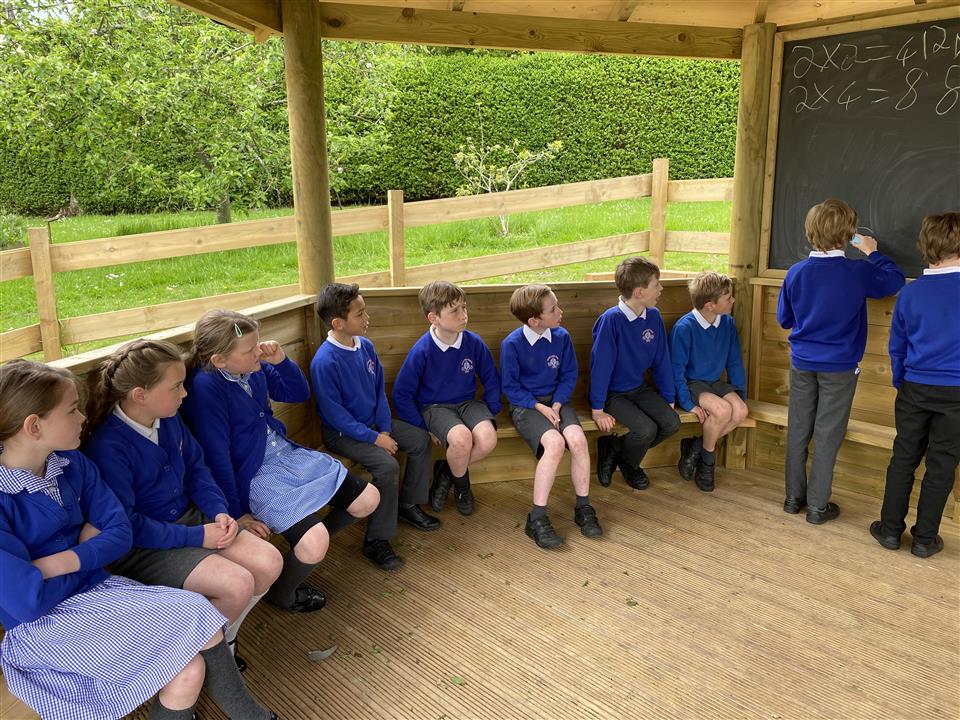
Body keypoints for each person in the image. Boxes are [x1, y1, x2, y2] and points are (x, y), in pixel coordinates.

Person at [0, 359, 280, 720]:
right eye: (72, 410)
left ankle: (246, 715)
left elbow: (120, 533)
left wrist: (60, 562)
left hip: (99, 589)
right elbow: (27, 602)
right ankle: (249, 715)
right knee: (191, 655)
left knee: (195, 639)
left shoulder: (71, 464)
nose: (83, 418)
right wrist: (89, 552)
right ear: (34, 426)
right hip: (45, 626)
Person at [84, 339, 283, 670]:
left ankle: (223, 639)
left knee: (269, 561)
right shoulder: (109, 447)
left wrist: (220, 511)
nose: (185, 393)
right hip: (143, 546)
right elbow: (126, 525)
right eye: (176, 386)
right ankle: (196, 661)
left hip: (192, 521)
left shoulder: (168, 418)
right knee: (237, 585)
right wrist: (197, 538)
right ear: (140, 395)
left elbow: (196, 468)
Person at [181, 309, 379, 614]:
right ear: (219, 360)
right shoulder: (206, 388)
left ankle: (303, 546)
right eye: (250, 350)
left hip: (286, 455)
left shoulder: (252, 367)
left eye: (257, 344)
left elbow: (297, 393)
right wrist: (238, 513)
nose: (258, 352)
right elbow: (216, 457)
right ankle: (283, 593)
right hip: (253, 475)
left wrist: (281, 362)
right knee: (314, 543)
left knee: (367, 499)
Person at [777, 198, 904, 524]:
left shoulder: (795, 273)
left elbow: (783, 318)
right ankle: (818, 507)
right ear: (849, 235)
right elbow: (894, 280)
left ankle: (793, 499)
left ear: (809, 232)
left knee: (799, 430)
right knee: (827, 434)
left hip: (802, 363)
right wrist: (872, 252)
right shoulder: (857, 271)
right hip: (839, 368)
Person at [311, 283, 440, 572]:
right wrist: (374, 439)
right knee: (387, 466)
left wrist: (383, 430)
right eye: (360, 313)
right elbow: (335, 415)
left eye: (364, 310)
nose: (366, 317)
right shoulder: (325, 361)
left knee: (419, 440)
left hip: (374, 426)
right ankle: (377, 541)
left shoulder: (365, 346)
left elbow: (379, 391)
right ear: (338, 323)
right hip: (343, 434)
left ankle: (407, 505)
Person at [870, 212, 960, 558]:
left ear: (925, 246)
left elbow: (898, 347)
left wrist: (901, 384)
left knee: (904, 457)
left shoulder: (912, 293)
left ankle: (890, 530)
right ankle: (925, 540)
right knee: (942, 464)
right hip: (957, 394)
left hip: (914, 388)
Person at [500, 284, 602, 549]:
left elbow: (569, 375)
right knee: (555, 444)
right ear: (534, 320)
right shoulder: (512, 344)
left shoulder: (561, 336)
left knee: (578, 441)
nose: (560, 311)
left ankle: (583, 507)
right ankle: (537, 518)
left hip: (556, 403)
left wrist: (556, 402)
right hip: (527, 406)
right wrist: (539, 407)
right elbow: (510, 388)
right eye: (553, 308)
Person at [392, 281, 500, 517]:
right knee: (461, 440)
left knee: (488, 439)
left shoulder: (473, 342)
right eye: (455, 311)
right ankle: (463, 489)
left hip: (468, 404)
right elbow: (401, 394)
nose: (463, 315)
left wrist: (490, 411)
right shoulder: (422, 350)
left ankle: (447, 471)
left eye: (464, 307)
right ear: (434, 318)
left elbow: (491, 379)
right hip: (435, 408)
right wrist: (422, 428)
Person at [590, 257, 679, 490]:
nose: (660, 288)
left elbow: (662, 360)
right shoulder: (611, 321)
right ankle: (631, 466)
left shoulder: (653, 317)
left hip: (639, 389)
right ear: (640, 292)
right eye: (656, 284)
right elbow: (600, 367)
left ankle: (616, 449)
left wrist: (669, 398)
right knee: (645, 429)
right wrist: (598, 409)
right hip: (614, 394)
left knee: (671, 423)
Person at [670, 271, 749, 492]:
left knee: (740, 412)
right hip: (692, 384)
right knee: (723, 411)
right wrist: (687, 403)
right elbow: (676, 371)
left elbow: (734, 361)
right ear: (710, 305)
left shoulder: (728, 323)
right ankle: (707, 464)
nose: (733, 300)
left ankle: (696, 445)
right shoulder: (684, 328)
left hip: (715, 383)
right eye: (728, 298)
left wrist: (739, 394)